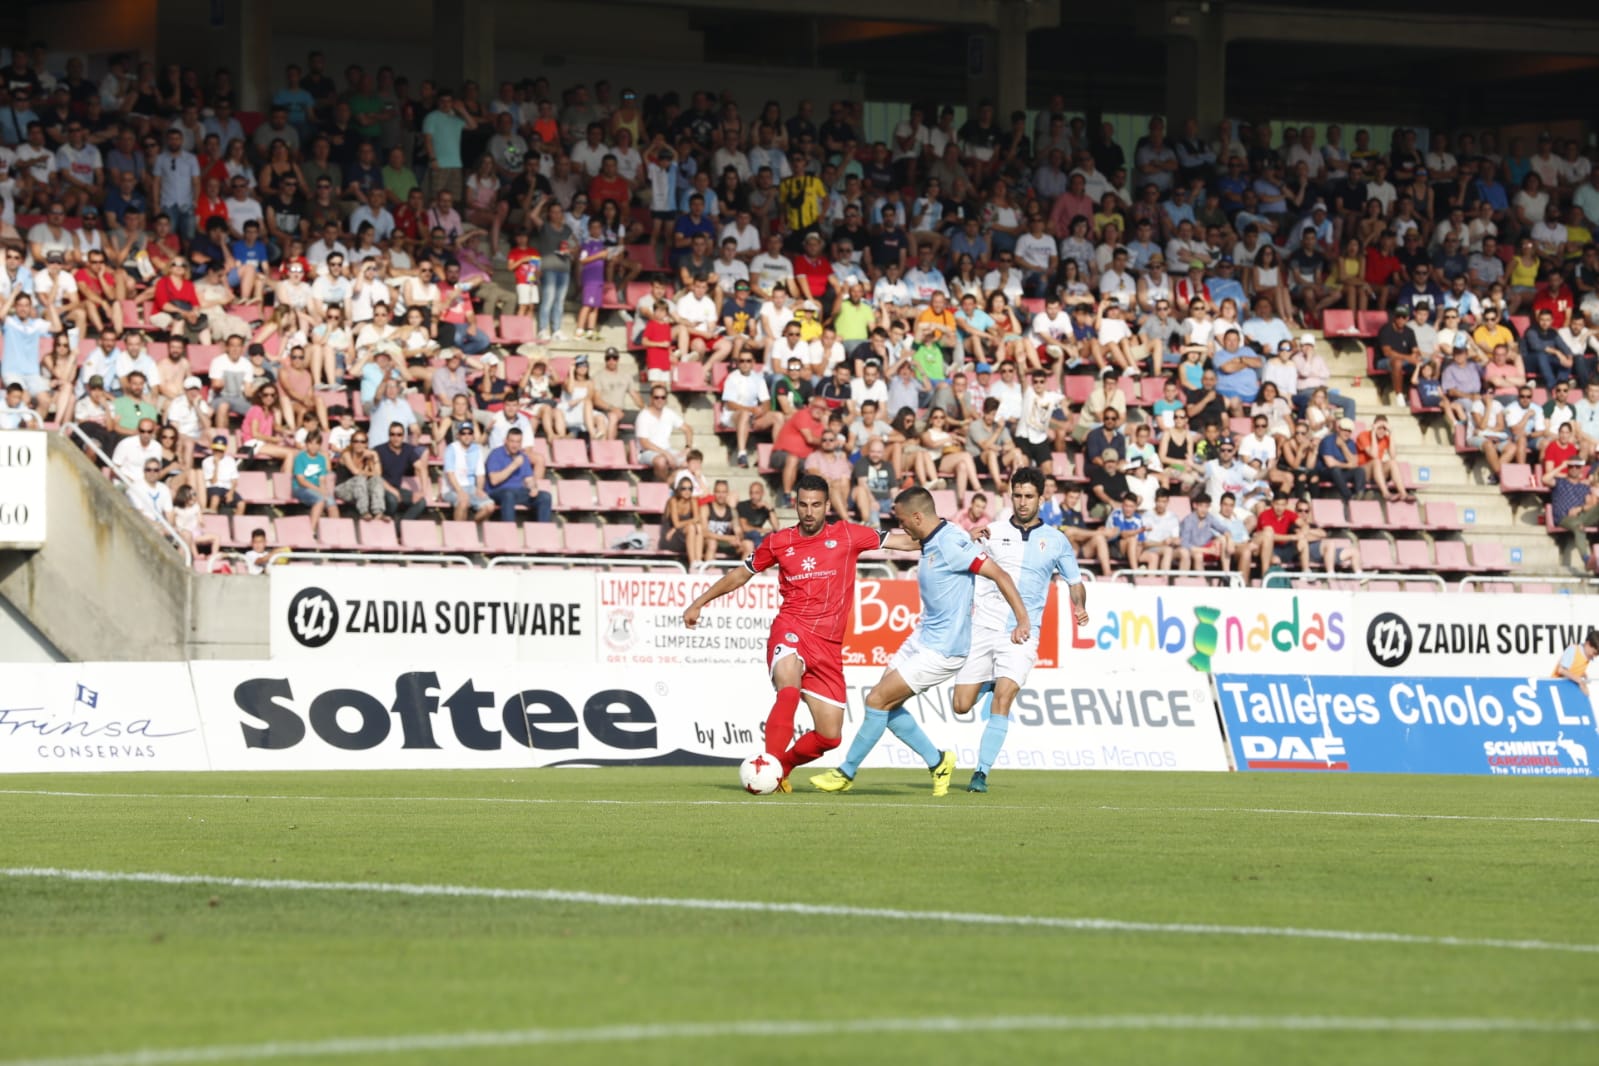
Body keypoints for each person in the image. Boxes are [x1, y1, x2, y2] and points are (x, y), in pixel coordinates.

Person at [682, 474, 915, 791]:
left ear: (827, 506)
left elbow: (906, 540)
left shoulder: (848, 534)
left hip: (829, 647)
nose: (809, 512)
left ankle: (782, 768)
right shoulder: (779, 541)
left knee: (830, 736)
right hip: (791, 629)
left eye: (816, 505)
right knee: (788, 687)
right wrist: (699, 603)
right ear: (795, 504)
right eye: (803, 505)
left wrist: (947, 535)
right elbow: (741, 574)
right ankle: (769, 768)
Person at [810, 485, 1029, 795]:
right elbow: (929, 540)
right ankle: (938, 761)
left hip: (944, 649)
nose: (900, 526)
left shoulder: (951, 542)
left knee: (876, 701)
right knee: (884, 704)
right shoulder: (934, 537)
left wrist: (1022, 619)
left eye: (901, 520)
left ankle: (846, 772)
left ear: (916, 516)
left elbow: (1001, 576)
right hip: (922, 636)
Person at [947, 467, 1090, 793]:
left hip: (1023, 632)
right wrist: (968, 540)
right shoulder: (992, 531)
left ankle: (980, 774)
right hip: (984, 626)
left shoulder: (1056, 540)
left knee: (1004, 698)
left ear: (1042, 497)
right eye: (1018, 496)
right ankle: (993, 681)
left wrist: (1079, 606)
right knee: (960, 704)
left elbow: (1075, 583)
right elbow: (961, 559)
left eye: (1029, 496)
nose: (1023, 502)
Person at [1551, 628, 1599, 695]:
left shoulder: (1587, 657)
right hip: (1555, 686)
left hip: (1568, 688)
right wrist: (1579, 681)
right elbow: (1561, 670)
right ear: (1588, 644)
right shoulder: (1573, 650)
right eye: (1594, 653)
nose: (1594, 656)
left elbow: (1574, 668)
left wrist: (1584, 676)